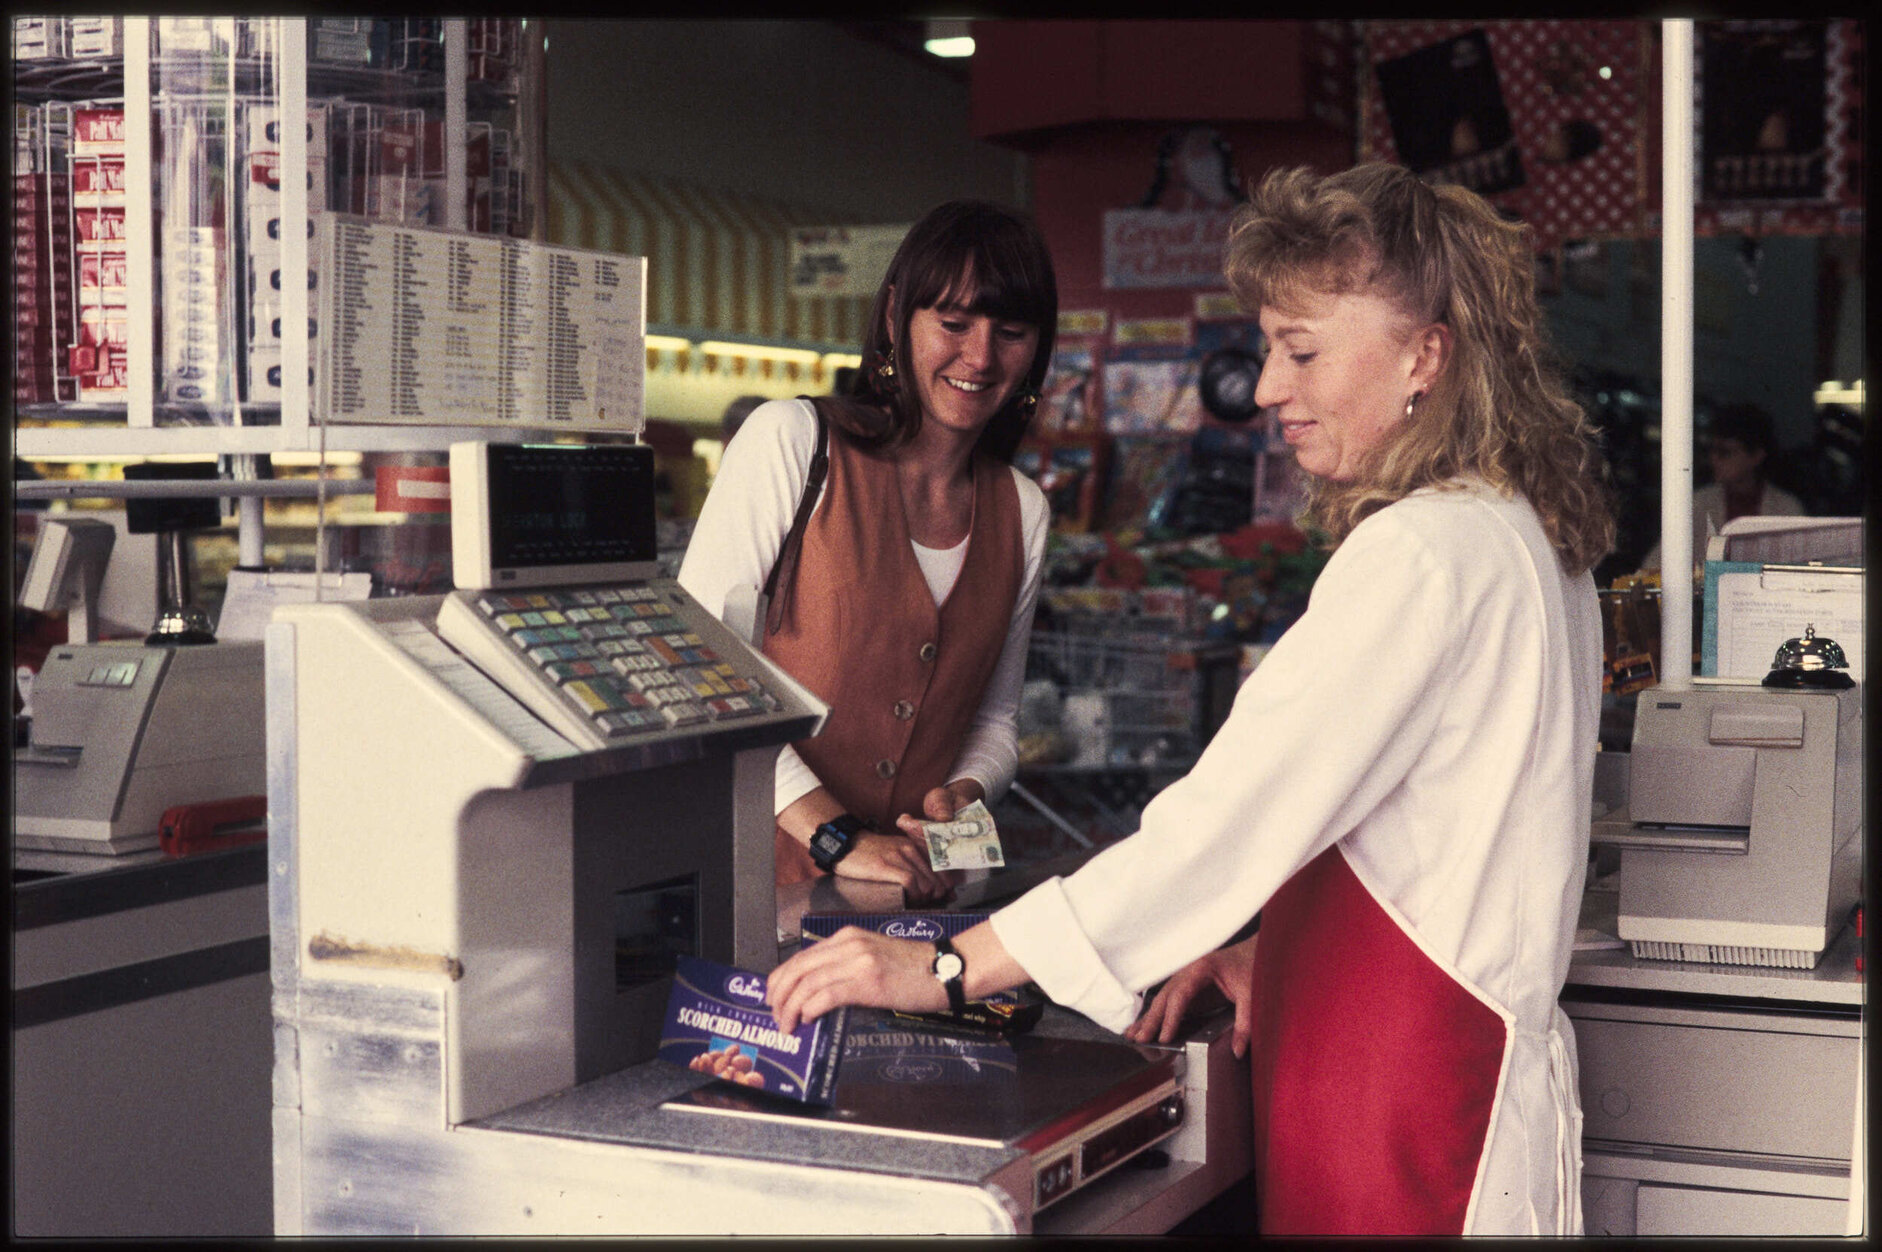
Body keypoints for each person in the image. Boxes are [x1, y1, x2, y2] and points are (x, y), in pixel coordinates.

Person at [767, 163, 1616, 1237]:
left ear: (1424, 355)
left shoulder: (1421, 552)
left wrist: (941, 968)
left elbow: (1224, 821)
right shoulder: (1520, 532)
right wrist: (1274, 943)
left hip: (1408, 1110)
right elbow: (1432, 831)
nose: (1265, 387)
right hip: (1443, 1072)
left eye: (1300, 350)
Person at [678, 200, 1058, 904]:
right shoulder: (793, 442)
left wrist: (961, 799)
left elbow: (995, 719)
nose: (980, 356)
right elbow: (705, 680)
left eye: (1011, 331)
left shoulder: (1023, 511)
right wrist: (837, 838)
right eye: (953, 323)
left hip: (908, 905)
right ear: (893, 319)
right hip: (751, 886)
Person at [1642, 402, 1804, 570]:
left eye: (1725, 452)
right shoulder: (1698, 504)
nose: (1714, 460)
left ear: (1756, 456)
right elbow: (1654, 563)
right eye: (1712, 451)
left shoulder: (1787, 509)